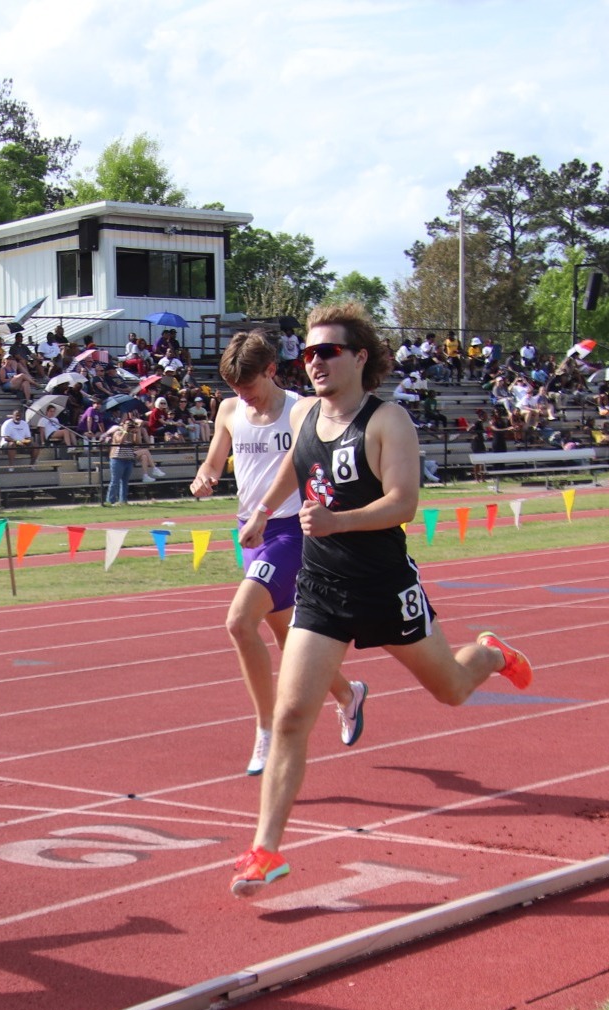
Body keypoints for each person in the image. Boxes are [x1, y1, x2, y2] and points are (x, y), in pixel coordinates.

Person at [229, 302, 533, 898]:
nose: (314, 362)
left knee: (451, 689)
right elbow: (295, 463)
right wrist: (263, 511)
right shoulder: (307, 413)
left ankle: (492, 654)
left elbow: (402, 503)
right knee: (292, 716)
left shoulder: (388, 420)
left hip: (385, 585)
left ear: (359, 357)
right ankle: (266, 850)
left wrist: (337, 522)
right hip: (322, 588)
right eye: (307, 352)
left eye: (327, 351)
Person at [191, 333, 365, 776]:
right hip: (250, 534)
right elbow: (214, 461)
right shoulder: (230, 410)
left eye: (248, 385)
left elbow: (308, 462)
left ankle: (266, 731)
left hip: (290, 531)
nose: (242, 395)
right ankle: (348, 694)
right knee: (291, 640)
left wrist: (268, 513)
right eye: (234, 387)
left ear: (271, 370)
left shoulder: (301, 409)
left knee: (239, 621)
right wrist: (204, 477)